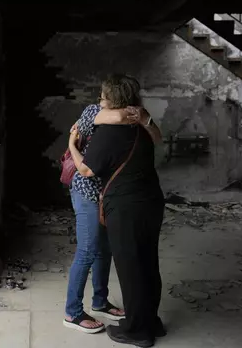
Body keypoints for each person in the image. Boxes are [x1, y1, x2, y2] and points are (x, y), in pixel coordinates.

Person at [68, 74, 165, 347]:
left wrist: (72, 147)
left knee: (130, 269)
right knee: (148, 264)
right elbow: (158, 138)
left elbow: (86, 169)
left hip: (126, 207)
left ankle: (137, 331)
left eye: (103, 95)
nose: (99, 100)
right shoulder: (144, 125)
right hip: (151, 201)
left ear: (111, 99)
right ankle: (150, 321)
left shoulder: (110, 132)